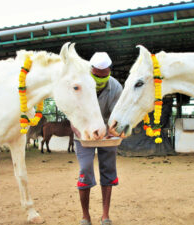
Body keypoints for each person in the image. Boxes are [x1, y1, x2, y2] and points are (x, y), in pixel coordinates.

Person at [73, 52, 122, 225]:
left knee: (108, 171)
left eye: (104, 76)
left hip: (107, 134)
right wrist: (78, 131)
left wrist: (112, 131)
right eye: (96, 76)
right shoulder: (79, 84)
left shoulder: (115, 87)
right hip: (84, 133)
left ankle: (105, 215)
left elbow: (116, 115)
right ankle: (85, 216)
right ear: (90, 70)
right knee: (85, 170)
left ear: (109, 71)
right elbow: (72, 113)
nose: (100, 79)